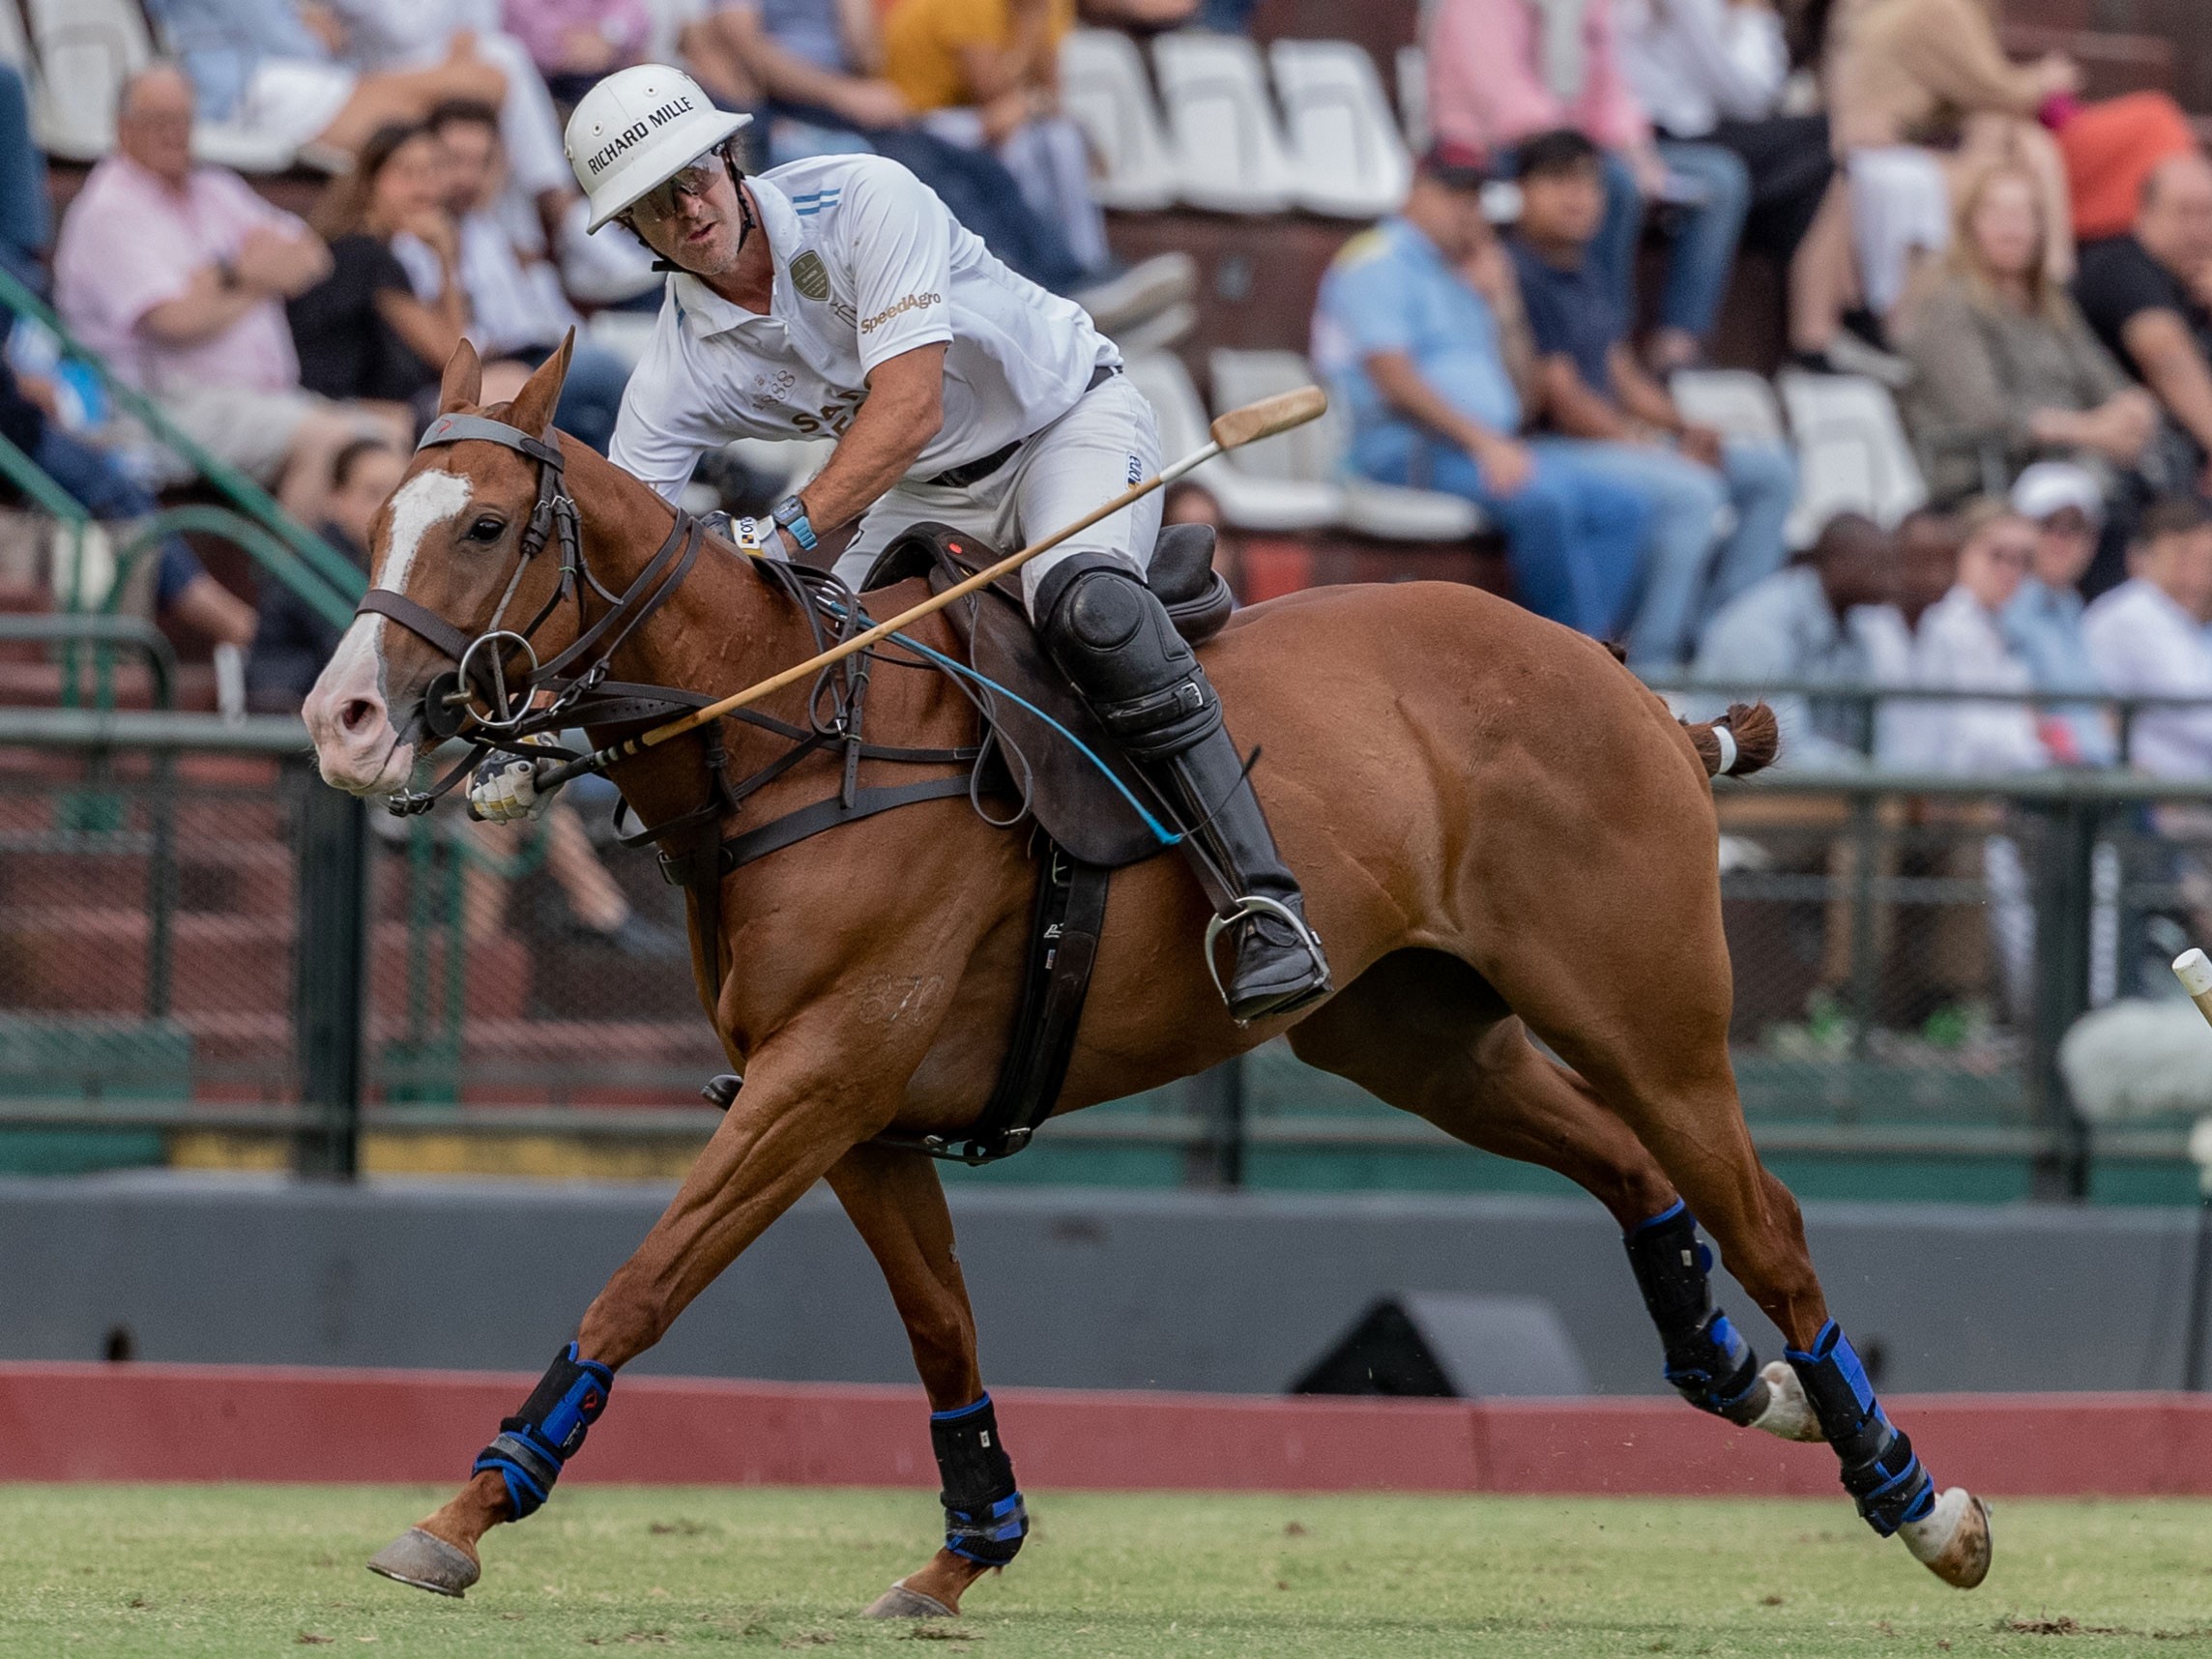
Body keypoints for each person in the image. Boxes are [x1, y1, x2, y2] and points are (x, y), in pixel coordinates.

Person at [473, 65, 1329, 1021]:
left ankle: (1262, 903)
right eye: (649, 204)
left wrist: (784, 529)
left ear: (727, 158)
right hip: (922, 491)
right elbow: (622, 552)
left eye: (692, 177)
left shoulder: (863, 198)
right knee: (830, 660)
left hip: (1066, 425)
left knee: (1084, 606)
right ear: (628, 229)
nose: (685, 210)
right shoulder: (675, 365)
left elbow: (909, 407)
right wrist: (541, 708)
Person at [253, 435, 679, 953]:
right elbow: (339, 670)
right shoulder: (316, 564)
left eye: (393, 487)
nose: (382, 497)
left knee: (506, 783)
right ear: (335, 499)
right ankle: (579, 918)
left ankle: (482, 960)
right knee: (504, 785)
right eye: (368, 490)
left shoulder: (416, 563)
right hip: (326, 749)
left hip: (410, 736)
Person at [1312, 149, 1648, 642]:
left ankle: (1594, 650)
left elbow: (1525, 394)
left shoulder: (1465, 270)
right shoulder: (1377, 259)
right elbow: (1393, 378)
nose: (1467, 209)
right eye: (1452, 194)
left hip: (1482, 444)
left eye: (1475, 196)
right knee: (1545, 502)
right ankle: (1570, 654)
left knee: (1623, 505)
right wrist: (1484, 443)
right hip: (1404, 445)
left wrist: (1504, 302)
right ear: (1415, 192)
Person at [698, 0, 1191, 331]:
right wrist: (843, 94)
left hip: (856, 98)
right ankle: (1016, 296)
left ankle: (1068, 281)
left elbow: (865, 54)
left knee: (977, 166)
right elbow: (748, 52)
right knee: (922, 173)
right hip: (795, 108)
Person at [52, 65, 402, 523]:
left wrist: (223, 282)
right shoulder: (109, 208)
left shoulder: (213, 187)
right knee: (330, 439)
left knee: (399, 431)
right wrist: (246, 271)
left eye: (184, 119)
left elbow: (310, 258)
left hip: (259, 399)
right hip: (162, 407)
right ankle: (291, 590)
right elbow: (176, 321)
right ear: (123, 128)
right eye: (159, 121)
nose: (175, 133)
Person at [1507, 128, 1797, 672]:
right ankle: (1653, 663)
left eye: (1589, 183)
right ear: (1521, 190)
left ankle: (1723, 643)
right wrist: (1656, 449)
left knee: (1771, 470)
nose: (1578, 197)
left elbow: (1621, 374)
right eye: (1558, 181)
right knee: (1693, 491)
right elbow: (1564, 401)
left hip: (1610, 441)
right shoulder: (1519, 271)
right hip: (1551, 448)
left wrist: (1686, 428)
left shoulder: (1585, 270)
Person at [1425, 0, 1750, 371]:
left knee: (1721, 178)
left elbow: (1611, 90)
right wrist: (1590, 155)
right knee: (1612, 182)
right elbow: (1504, 102)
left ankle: (1677, 345)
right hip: (1492, 148)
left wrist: (1638, 152)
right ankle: (1608, 340)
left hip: (1581, 142)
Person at [1614, 0, 1868, 373]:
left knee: (1821, 158)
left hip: (1685, 128)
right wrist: (1753, 15)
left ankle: (1821, 327)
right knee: (1818, 144)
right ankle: (1820, 330)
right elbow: (1750, 94)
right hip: (1656, 134)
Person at [1896, 162, 2155, 506]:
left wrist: (2135, 410)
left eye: (2023, 214)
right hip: (1991, 477)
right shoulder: (1948, 305)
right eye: (1995, 212)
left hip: (2073, 463)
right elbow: (1987, 415)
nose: (2010, 227)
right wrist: (2090, 431)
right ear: (1969, 224)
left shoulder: (2052, 304)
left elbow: (2104, 380)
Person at [402, 102, 633, 453]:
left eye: (480, 163)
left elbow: (535, 319)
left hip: (534, 353)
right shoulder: (413, 240)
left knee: (610, 392)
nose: (468, 178)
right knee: (602, 371)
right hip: (485, 370)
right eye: (454, 161)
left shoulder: (485, 229)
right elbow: (452, 345)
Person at [0, 359, 255, 651]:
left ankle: (238, 623)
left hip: (27, 428)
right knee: (108, 492)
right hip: (21, 436)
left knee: (113, 484)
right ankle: (232, 622)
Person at [878, 0, 1120, 305]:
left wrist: (1029, 103)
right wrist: (1032, 31)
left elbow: (1049, 91)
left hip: (986, 115)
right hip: (920, 118)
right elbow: (990, 93)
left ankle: (1091, 263)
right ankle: (1040, 277)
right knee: (1019, 146)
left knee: (1062, 137)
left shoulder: (1050, 5)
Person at [1690, 511, 1913, 770]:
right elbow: (1780, 748)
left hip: (1809, 785)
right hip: (1735, 783)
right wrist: (1876, 777)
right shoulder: (1763, 624)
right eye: (1879, 565)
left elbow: (1866, 736)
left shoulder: (1855, 627)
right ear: (1838, 561)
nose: (1893, 579)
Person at [287, 123, 460, 412]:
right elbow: (455, 360)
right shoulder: (365, 256)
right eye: (407, 173)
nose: (424, 187)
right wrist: (447, 258)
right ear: (369, 181)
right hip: (342, 413)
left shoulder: (356, 247)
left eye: (432, 171)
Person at [2073, 152, 2212, 496]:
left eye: (2208, 213)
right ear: (2146, 213)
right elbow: (2166, 356)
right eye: (2184, 212)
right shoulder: (2122, 264)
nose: (2199, 229)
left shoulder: (2194, 280)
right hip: (2118, 466)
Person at [2084, 495, 2212, 779]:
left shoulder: (2183, 617)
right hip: (2151, 793)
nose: (2200, 569)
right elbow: (2193, 715)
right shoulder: (2132, 611)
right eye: (2186, 552)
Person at [2000, 461, 2112, 765]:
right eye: (2048, 524)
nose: (2061, 539)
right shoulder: (2003, 603)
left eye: (2075, 528)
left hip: (2091, 781)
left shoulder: (2071, 606)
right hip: (2042, 786)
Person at [501, 0, 651, 103]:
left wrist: (609, 35)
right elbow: (529, 33)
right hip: (555, 85)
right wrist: (579, 45)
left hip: (615, 65)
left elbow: (634, 12)